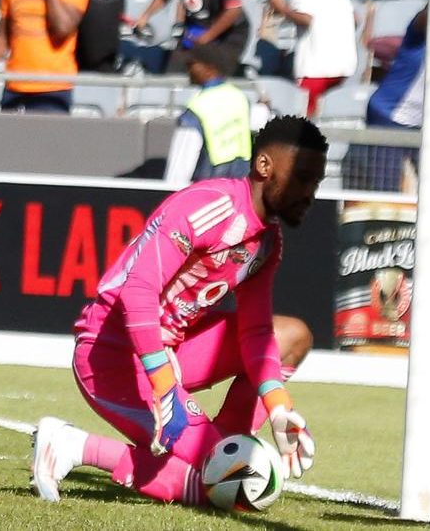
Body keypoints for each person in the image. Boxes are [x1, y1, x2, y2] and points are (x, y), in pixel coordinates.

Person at [32, 115, 325, 507]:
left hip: (173, 348)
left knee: (291, 337)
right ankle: (72, 445)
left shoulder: (268, 242)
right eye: (303, 178)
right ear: (265, 166)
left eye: (316, 181)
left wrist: (278, 409)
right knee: (216, 487)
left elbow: (255, 333)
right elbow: (138, 291)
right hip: (112, 354)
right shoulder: (209, 206)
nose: (310, 193)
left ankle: (217, 449)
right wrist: (165, 381)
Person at [267, 0, 359, 116]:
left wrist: (282, 8)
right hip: (344, 69)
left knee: (307, 124)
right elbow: (356, 20)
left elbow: (306, 19)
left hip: (315, 70)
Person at [344, 7, 426, 191]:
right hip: (389, 115)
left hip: (421, 124)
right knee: (386, 188)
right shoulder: (418, 37)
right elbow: (425, 16)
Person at [165, 43, 252, 184]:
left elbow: (180, 166)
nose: (188, 69)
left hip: (209, 190)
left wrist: (170, 193)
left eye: (191, 64)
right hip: (240, 188)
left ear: (210, 68)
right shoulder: (241, 98)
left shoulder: (197, 107)